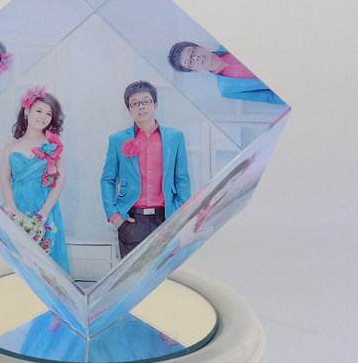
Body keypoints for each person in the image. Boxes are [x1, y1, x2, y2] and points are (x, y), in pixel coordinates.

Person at [100, 80, 191, 259]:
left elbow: (182, 178)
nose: (141, 107)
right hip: (131, 219)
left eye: (146, 101)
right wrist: (114, 216)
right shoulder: (117, 140)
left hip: (166, 217)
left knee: (166, 270)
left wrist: (182, 215)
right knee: (133, 272)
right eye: (134, 103)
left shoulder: (175, 137)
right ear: (129, 110)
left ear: (155, 105)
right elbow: (108, 179)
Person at [0, 87, 70, 273]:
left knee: (46, 264)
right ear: (27, 111)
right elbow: (4, 179)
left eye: (49, 114)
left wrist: (44, 212)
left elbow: (61, 179)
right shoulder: (11, 145)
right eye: (39, 111)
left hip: (44, 208)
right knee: (16, 262)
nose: (43, 117)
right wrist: (13, 211)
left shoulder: (54, 145)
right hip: (16, 204)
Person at [167, 41, 284, 105]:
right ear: (194, 71)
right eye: (190, 62)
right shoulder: (226, 90)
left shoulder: (229, 41)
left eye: (193, 52)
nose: (196, 58)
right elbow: (270, 97)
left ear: (200, 46)